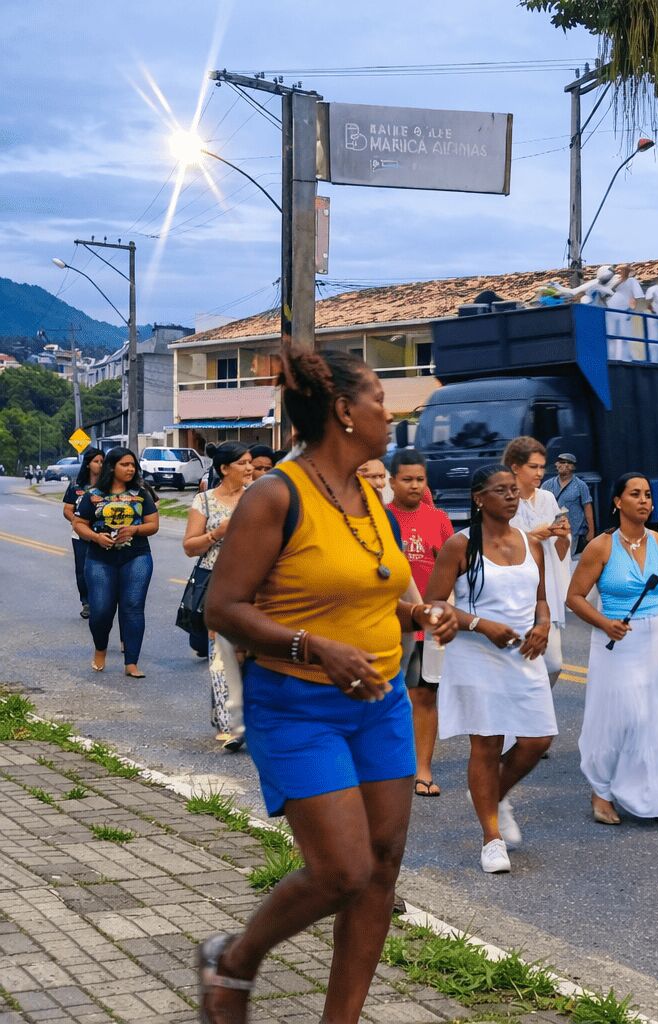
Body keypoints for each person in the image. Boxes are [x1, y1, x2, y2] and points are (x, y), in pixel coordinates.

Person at [198, 348, 457, 1023]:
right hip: (298, 706)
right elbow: (222, 609)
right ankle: (235, 963)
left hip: (380, 702)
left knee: (383, 863)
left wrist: (420, 614)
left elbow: (374, 593)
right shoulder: (276, 495)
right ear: (343, 411)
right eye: (378, 400)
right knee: (343, 870)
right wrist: (312, 647)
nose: (389, 414)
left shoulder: (367, 497)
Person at [427, 466, 554, 872]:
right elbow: (434, 604)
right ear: (479, 498)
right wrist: (482, 625)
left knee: (538, 739)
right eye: (501, 491)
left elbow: (541, 599)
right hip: (476, 655)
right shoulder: (460, 545)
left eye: (514, 490)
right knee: (487, 743)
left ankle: (492, 795)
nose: (512, 497)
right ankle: (491, 839)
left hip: (523, 656)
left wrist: (543, 626)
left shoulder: (531, 544)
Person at [567, 473, 658, 824]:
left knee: (653, 717)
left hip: (657, 636)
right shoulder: (601, 547)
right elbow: (574, 597)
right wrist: (604, 623)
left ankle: (654, 796)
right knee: (622, 715)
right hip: (617, 641)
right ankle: (602, 791)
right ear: (618, 502)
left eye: (647, 494)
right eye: (635, 494)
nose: (645, 500)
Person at [388, 450, 455, 798]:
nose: (414, 485)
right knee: (391, 697)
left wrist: (446, 613)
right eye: (407, 479)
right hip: (390, 624)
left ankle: (423, 769)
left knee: (425, 696)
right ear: (392, 481)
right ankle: (390, 767)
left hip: (429, 626)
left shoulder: (439, 519)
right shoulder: (381, 518)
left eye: (419, 479)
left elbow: (453, 568)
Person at [185, 443, 254, 750]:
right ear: (224, 468)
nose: (249, 468)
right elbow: (190, 547)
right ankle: (231, 726)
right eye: (243, 463)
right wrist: (218, 533)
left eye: (250, 462)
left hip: (254, 582)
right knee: (222, 651)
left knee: (251, 653)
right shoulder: (204, 501)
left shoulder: (257, 498)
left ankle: (244, 717)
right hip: (217, 584)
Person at [73, 447, 159, 678]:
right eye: (125, 464)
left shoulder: (141, 494)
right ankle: (100, 649)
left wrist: (135, 530)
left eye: (133, 465)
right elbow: (78, 523)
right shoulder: (92, 495)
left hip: (136, 556)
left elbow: (153, 525)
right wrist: (95, 537)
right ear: (111, 467)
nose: (130, 469)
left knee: (133, 607)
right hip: (100, 558)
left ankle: (131, 662)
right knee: (101, 610)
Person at [503, 437, 573, 679]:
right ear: (515, 467)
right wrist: (533, 535)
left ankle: (540, 699)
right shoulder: (503, 498)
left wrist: (562, 536)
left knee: (553, 663)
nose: (540, 473)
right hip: (514, 589)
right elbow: (499, 543)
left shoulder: (547, 498)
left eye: (542, 467)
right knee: (518, 662)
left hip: (547, 585)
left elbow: (561, 551)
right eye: (533, 467)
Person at [65, 446, 104, 620]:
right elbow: (67, 510)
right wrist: (78, 522)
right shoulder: (77, 485)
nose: (100, 465)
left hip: (103, 534)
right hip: (80, 535)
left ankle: (101, 601)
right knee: (82, 570)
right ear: (88, 464)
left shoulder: (108, 485)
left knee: (102, 569)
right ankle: (86, 602)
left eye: (102, 461)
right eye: (96, 461)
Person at [542, 453, 595, 552]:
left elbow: (587, 508)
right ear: (556, 464)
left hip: (573, 532)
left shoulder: (580, 485)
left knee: (568, 558)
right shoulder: (547, 485)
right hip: (551, 531)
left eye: (569, 463)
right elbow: (540, 506)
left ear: (574, 467)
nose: (565, 465)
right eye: (562, 462)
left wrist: (591, 531)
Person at [605, 264, 645, 362]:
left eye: (623, 270)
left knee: (624, 336)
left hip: (624, 310)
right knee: (611, 335)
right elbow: (608, 290)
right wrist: (620, 280)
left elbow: (637, 297)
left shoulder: (632, 281)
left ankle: (624, 358)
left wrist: (631, 310)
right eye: (620, 270)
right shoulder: (616, 280)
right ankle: (611, 357)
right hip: (611, 310)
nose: (621, 272)